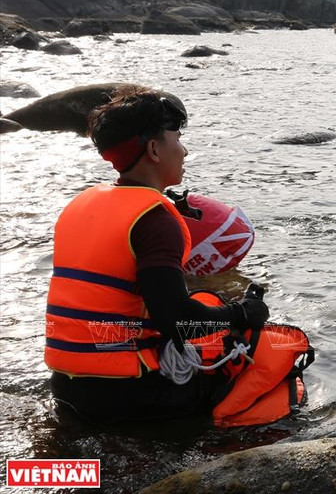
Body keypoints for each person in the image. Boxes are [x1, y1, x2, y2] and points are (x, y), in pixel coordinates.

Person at [45, 86, 269, 423]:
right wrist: (242, 315)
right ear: (153, 149)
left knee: (205, 304)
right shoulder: (155, 219)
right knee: (269, 362)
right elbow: (178, 322)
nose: (185, 150)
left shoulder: (79, 205)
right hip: (132, 394)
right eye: (177, 139)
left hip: (66, 387)